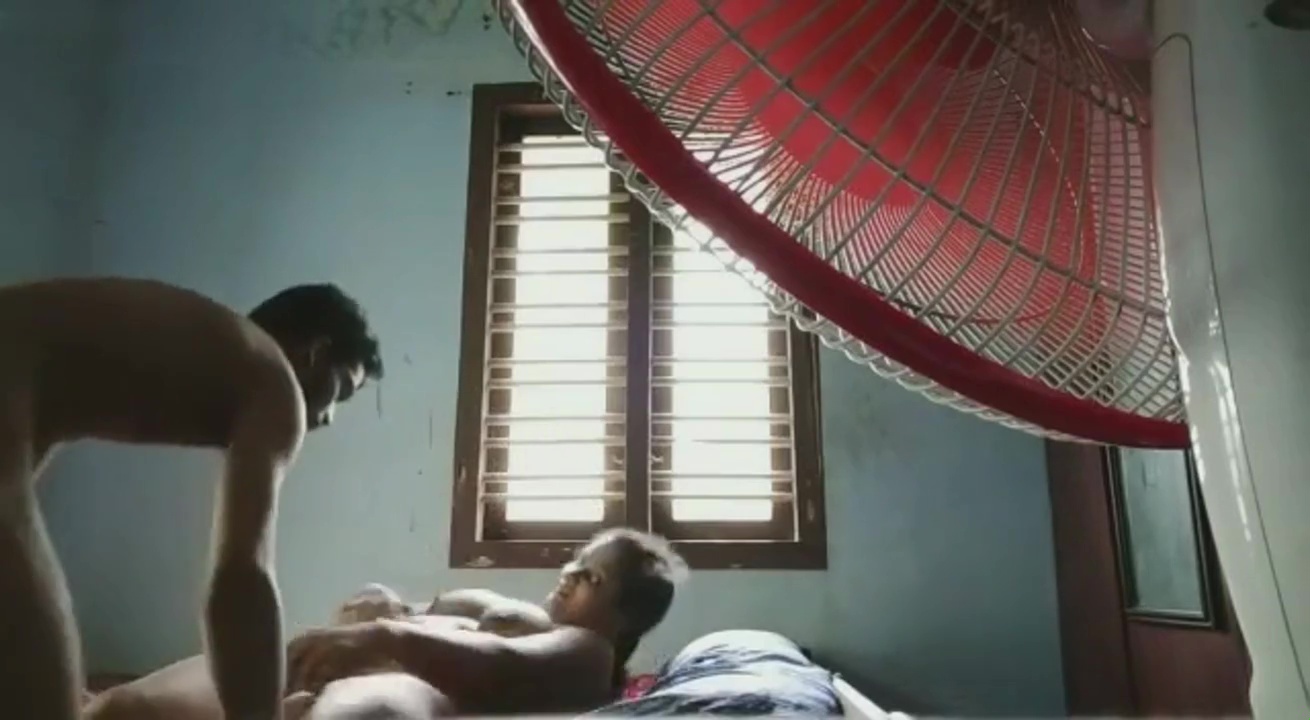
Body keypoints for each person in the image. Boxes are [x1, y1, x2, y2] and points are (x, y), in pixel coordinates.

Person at [0, 278, 383, 720]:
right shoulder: (276, 381)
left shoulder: (214, 348)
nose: (329, 417)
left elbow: (29, 432)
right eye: (342, 390)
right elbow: (242, 578)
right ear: (315, 352)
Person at [84, 528, 687, 719]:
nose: (570, 572)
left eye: (592, 577)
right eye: (576, 560)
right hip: (316, 674)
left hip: (378, 695)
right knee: (119, 709)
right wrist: (387, 606)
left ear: (625, 616)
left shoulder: (588, 651)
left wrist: (385, 635)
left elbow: (502, 668)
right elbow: (414, 614)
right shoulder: (519, 613)